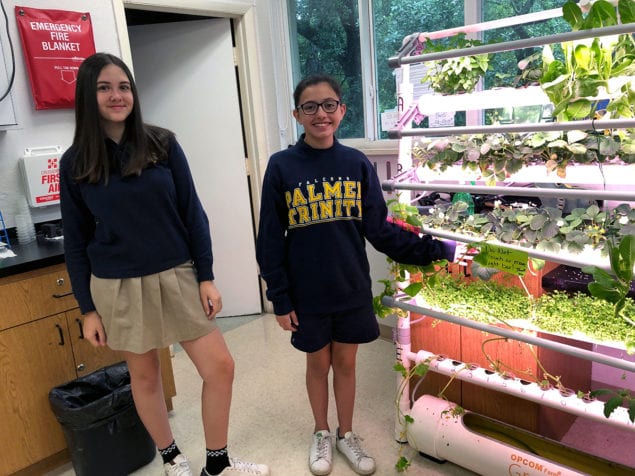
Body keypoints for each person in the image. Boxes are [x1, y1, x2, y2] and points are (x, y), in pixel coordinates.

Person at [60, 52, 269, 476]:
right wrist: (86, 308)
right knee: (147, 376)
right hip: (116, 285)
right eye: (104, 87)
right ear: (88, 95)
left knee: (220, 367)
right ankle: (172, 457)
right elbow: (76, 241)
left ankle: (217, 464)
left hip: (177, 275)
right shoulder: (75, 162)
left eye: (123, 86)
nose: (117, 95)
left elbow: (193, 212)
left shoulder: (162, 144)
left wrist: (206, 275)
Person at [255, 74, 456, 476]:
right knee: (318, 364)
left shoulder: (355, 163)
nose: (320, 114)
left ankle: (347, 433)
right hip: (305, 291)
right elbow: (270, 240)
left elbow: (379, 230)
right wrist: (280, 298)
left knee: (346, 364)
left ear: (342, 111)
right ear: (297, 114)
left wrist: (439, 250)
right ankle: (321, 432)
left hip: (349, 287)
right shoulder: (281, 166)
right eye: (310, 107)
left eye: (329, 105)